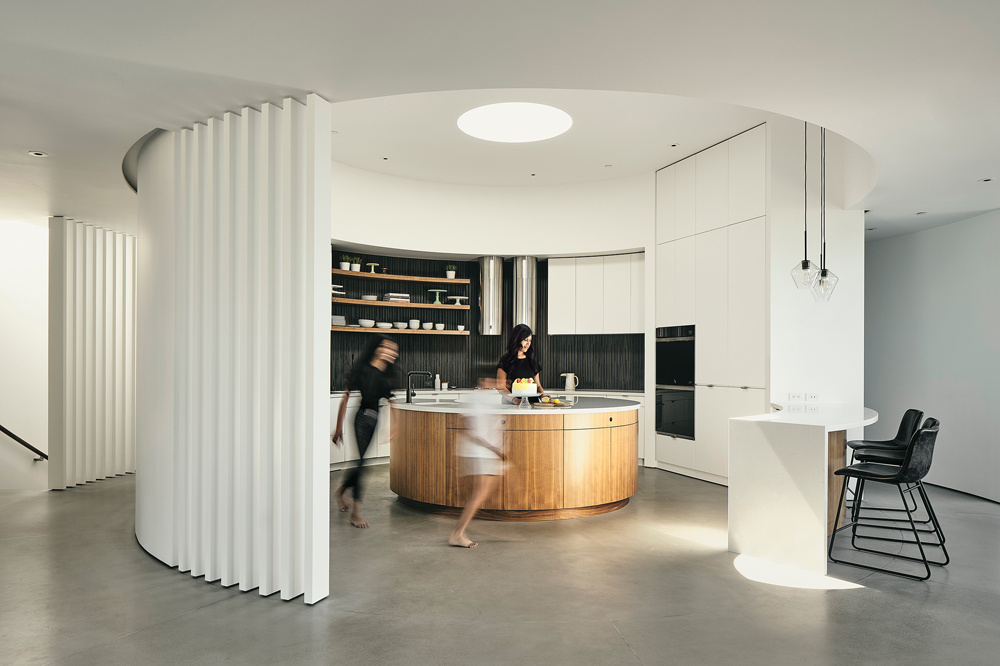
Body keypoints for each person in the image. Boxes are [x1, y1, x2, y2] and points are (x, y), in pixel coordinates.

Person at [332, 335, 398, 528]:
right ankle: (355, 513)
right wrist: (338, 428)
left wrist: (395, 426)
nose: (391, 352)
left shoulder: (387, 375)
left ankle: (341, 491)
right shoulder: (362, 370)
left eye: (394, 350)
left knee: (360, 463)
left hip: (375, 420)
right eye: (387, 347)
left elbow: (392, 402)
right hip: (361, 419)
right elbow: (345, 398)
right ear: (377, 348)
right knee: (362, 464)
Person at [449, 373, 505, 548]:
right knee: (479, 494)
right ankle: (457, 534)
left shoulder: (491, 399)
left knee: (485, 492)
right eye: (491, 381)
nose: (495, 384)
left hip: (489, 453)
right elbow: (472, 431)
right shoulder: (474, 398)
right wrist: (493, 448)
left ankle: (459, 532)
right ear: (481, 381)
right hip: (479, 452)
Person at [496, 323, 547, 404]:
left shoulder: (532, 360)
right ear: (516, 339)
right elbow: (500, 386)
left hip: (532, 404)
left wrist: (543, 396)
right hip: (511, 405)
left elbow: (538, 386)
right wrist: (514, 400)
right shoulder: (505, 360)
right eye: (525, 340)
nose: (528, 344)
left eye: (530, 340)